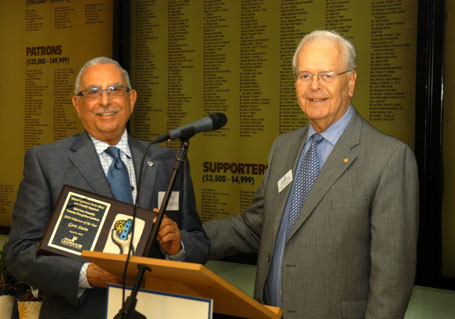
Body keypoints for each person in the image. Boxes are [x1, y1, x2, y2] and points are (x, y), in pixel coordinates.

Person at [204, 30, 418, 318]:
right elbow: (253, 226)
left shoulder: (389, 158)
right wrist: (183, 239)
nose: (314, 86)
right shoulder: (284, 147)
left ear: (351, 82)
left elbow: (392, 280)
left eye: (327, 75)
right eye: (305, 75)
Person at [6, 56, 209, 318]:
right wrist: (85, 275)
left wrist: (177, 247)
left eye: (115, 90)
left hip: (156, 311)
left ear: (131, 99)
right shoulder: (45, 162)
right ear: (77, 104)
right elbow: (19, 253)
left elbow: (198, 240)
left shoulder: (168, 161)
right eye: (93, 92)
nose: (105, 101)